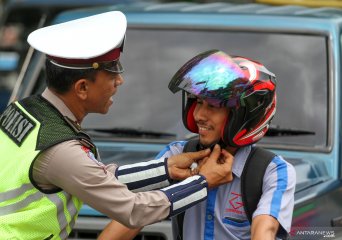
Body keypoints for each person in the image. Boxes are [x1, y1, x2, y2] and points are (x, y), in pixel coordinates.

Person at [0, 13, 235, 239]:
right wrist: (203, 182)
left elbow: (92, 177)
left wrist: (165, 169)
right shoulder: (60, 149)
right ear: (82, 87)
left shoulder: (25, 110)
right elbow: (134, 210)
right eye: (112, 74)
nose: (119, 81)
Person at [100, 50, 296, 240]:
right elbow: (134, 215)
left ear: (245, 114)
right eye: (198, 103)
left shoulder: (273, 172)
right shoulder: (177, 156)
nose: (198, 115)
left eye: (212, 106)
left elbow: (264, 231)